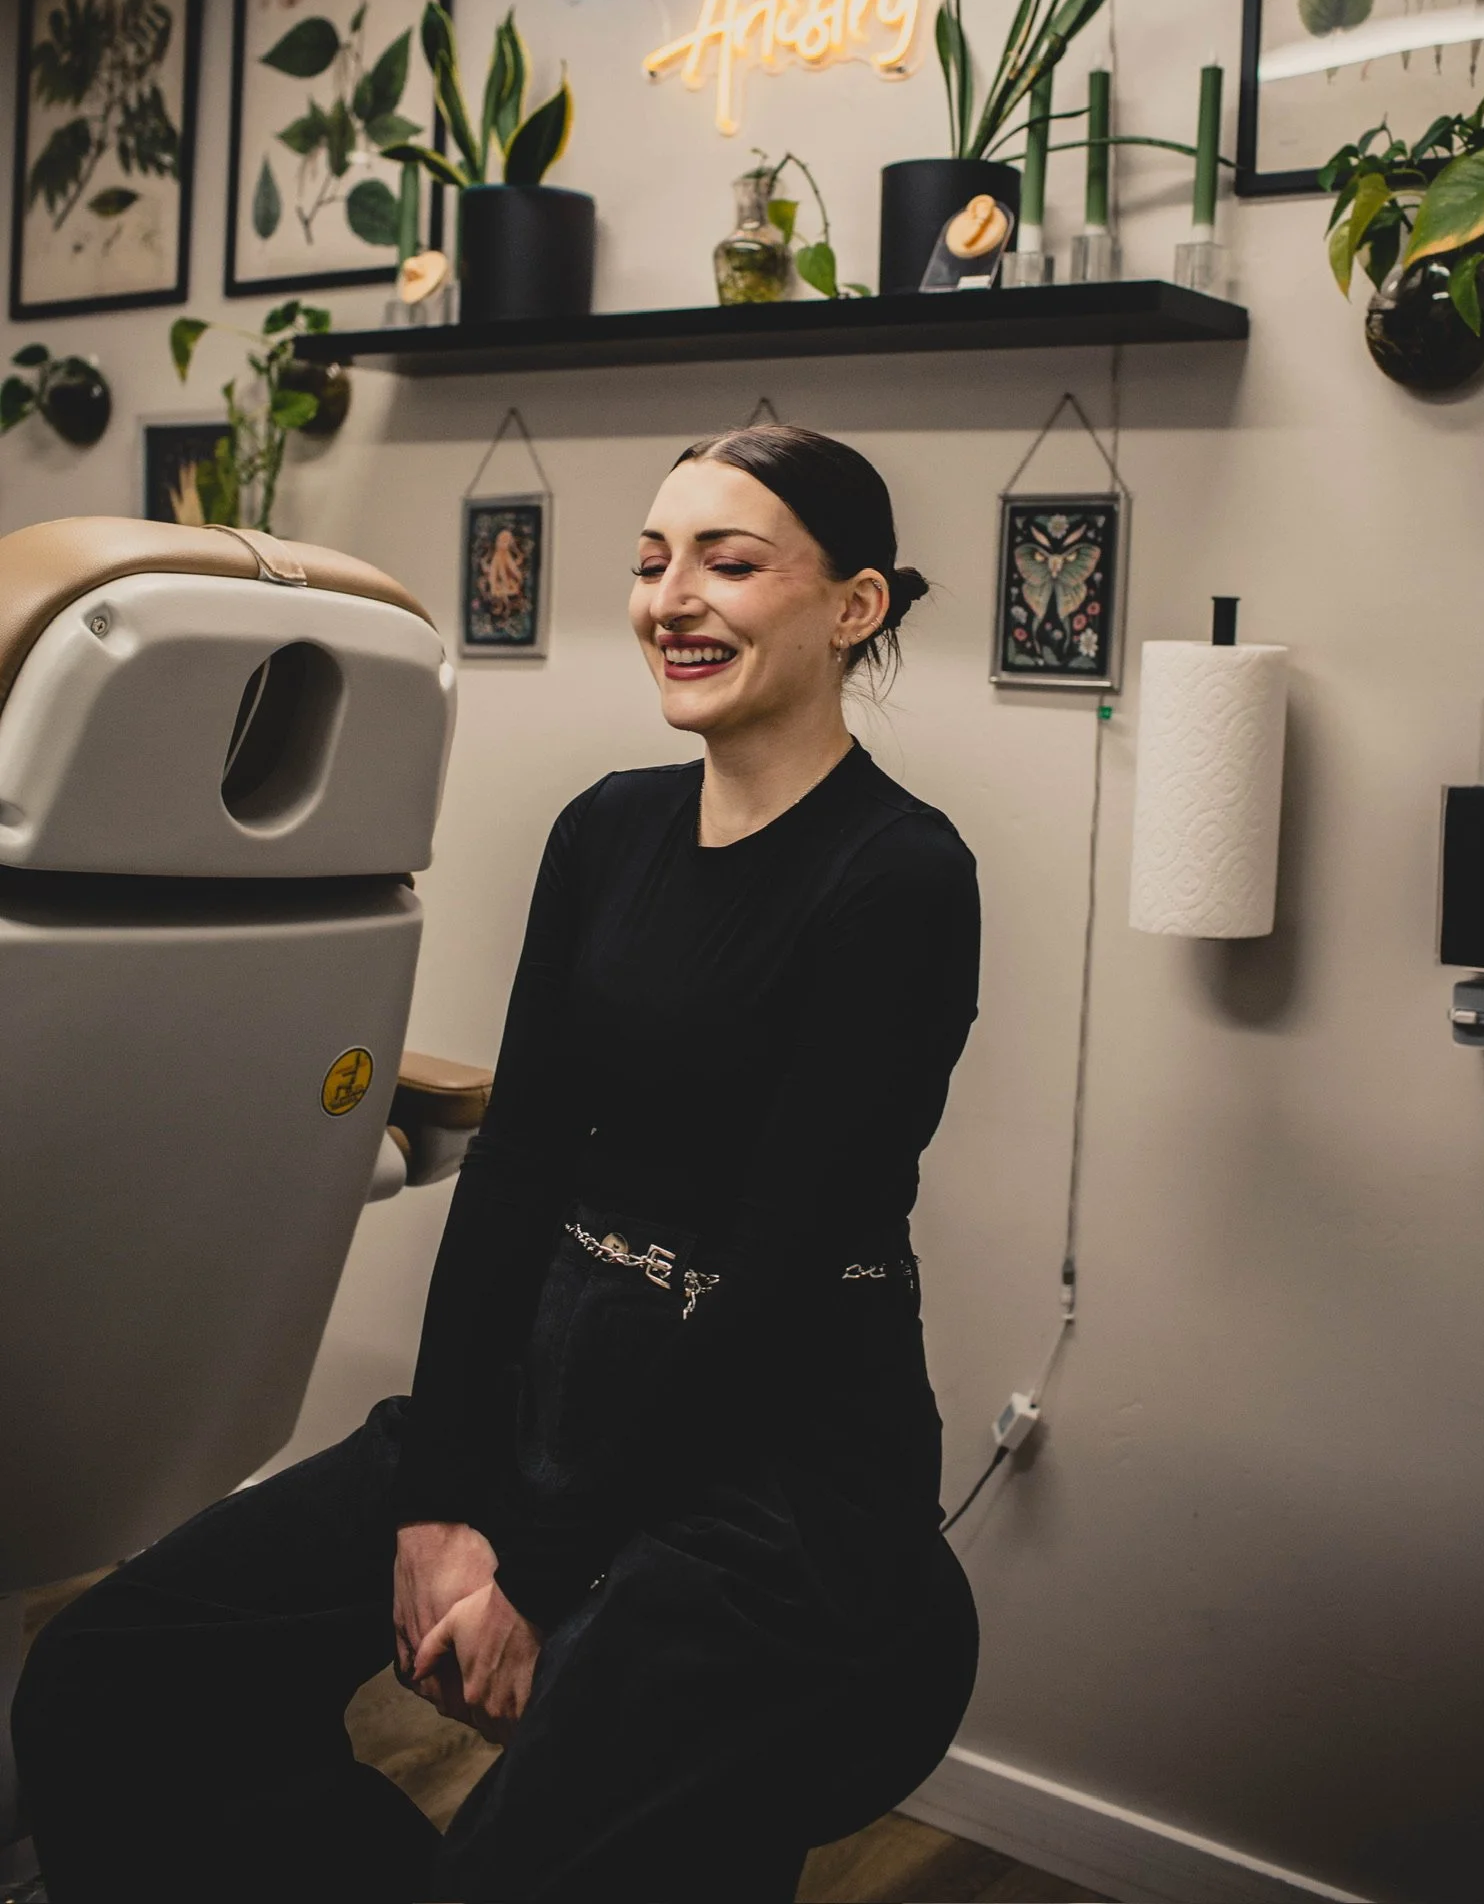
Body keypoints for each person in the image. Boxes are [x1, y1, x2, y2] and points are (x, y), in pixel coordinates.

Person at [14, 425, 983, 1904]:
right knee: (111, 1673)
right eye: (654, 562)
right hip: (551, 1387)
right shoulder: (606, 828)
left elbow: (780, 1276)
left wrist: (530, 1568)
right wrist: (440, 1496)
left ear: (855, 607)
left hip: (766, 1466)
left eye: (731, 561)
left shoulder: (901, 878)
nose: (674, 597)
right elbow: (520, 1167)